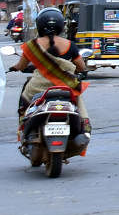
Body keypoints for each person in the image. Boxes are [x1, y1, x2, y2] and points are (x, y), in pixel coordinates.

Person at [8, 8, 90, 137]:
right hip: (65, 87)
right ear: (61, 25)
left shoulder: (31, 45)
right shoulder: (70, 45)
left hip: (37, 88)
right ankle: (85, 127)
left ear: (39, 25)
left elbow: (21, 66)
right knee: (78, 99)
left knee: (24, 99)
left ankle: (23, 127)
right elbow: (81, 66)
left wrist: (13, 68)